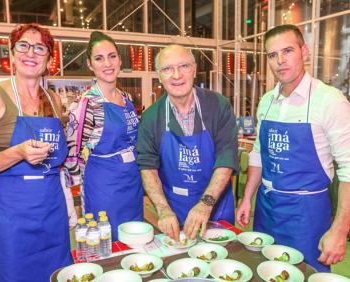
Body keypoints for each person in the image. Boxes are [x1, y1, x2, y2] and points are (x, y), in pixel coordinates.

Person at [236, 24, 350, 272]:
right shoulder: (267, 101)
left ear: (305, 51)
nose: (280, 61)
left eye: (287, 51)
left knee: (305, 274)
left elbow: (349, 170)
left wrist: (340, 230)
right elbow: (258, 153)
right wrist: (247, 198)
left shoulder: (329, 101)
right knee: (264, 271)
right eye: (272, 55)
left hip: (306, 214)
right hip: (266, 209)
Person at [0, 24, 72, 282]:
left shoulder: (53, 100)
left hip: (51, 210)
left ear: (49, 59)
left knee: (56, 275)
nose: (31, 53)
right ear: (12, 54)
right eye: (23, 46)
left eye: (40, 48)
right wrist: (17, 153)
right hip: (9, 216)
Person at [137, 44, 238, 241]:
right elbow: (147, 167)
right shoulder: (151, 117)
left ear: (194, 70)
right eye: (167, 69)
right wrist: (163, 209)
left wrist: (205, 204)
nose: (176, 75)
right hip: (176, 210)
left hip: (216, 208)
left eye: (183, 66)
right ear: (159, 76)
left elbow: (226, 159)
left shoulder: (218, 105)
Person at [64, 31, 143, 241]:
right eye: (99, 58)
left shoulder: (126, 98)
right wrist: (74, 193)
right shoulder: (86, 104)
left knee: (134, 240)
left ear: (119, 59)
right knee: (108, 245)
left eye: (112, 56)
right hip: (104, 187)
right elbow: (72, 155)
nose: (107, 63)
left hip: (132, 183)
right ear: (90, 64)